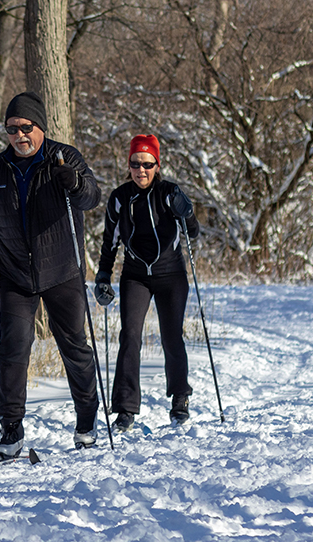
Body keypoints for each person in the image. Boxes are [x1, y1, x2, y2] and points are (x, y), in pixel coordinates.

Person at [0, 91, 103, 456]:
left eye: (25, 127)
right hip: (16, 275)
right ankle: (11, 430)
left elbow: (91, 197)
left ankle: (86, 422)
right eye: (11, 129)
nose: (19, 136)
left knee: (74, 348)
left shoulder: (65, 158)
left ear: (40, 127)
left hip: (62, 270)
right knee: (13, 351)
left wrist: (73, 182)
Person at [94, 134, 200, 431]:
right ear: (128, 165)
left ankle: (180, 397)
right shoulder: (119, 197)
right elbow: (109, 242)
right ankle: (125, 408)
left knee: (171, 337)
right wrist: (103, 275)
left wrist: (187, 211)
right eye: (135, 163)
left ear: (157, 164)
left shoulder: (169, 193)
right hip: (135, 275)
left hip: (171, 275)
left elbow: (193, 233)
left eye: (147, 164)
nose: (141, 170)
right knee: (130, 336)